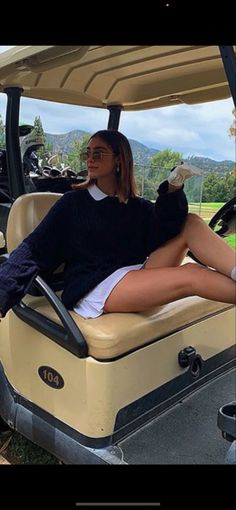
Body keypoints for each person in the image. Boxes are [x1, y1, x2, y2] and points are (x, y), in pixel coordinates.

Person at [0, 130, 235, 321]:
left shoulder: (134, 205)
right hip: (96, 285)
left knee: (192, 222)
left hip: (134, 272)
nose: (90, 159)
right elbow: (34, 249)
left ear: (119, 159)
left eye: (99, 154)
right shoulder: (73, 204)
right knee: (192, 274)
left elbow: (164, 230)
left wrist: (173, 189)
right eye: (88, 153)